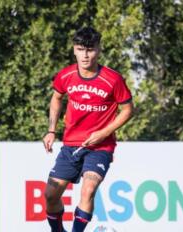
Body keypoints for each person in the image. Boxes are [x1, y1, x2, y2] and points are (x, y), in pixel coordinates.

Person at [42, 26, 133, 232]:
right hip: (71, 145)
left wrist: (103, 133)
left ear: (99, 50)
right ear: (74, 49)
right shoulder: (65, 76)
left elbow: (128, 109)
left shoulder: (113, 79)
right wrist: (51, 130)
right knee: (50, 195)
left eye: (90, 49)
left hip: (101, 147)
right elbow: (56, 97)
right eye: (81, 49)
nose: (85, 55)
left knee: (88, 190)